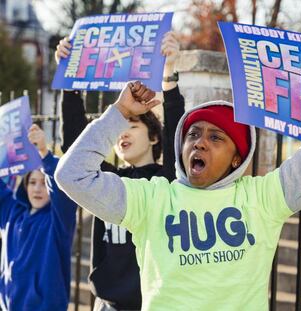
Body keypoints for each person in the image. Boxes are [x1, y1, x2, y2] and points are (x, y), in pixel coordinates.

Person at [55, 34, 301, 310]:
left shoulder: (262, 199)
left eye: (216, 138)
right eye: (193, 135)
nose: (200, 143)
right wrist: (120, 112)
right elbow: (72, 175)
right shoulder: (152, 197)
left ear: (237, 159)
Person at [55, 31, 185, 311]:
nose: (122, 133)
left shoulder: (166, 180)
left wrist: (170, 76)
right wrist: (70, 82)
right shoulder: (108, 180)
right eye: (120, 127)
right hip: (106, 305)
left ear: (154, 137)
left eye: (133, 125)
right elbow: (74, 145)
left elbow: (177, 134)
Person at [0, 124, 77, 310]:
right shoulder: (12, 212)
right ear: (25, 186)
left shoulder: (58, 220)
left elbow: (61, 189)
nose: (37, 188)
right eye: (32, 182)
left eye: (44, 183)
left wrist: (44, 152)